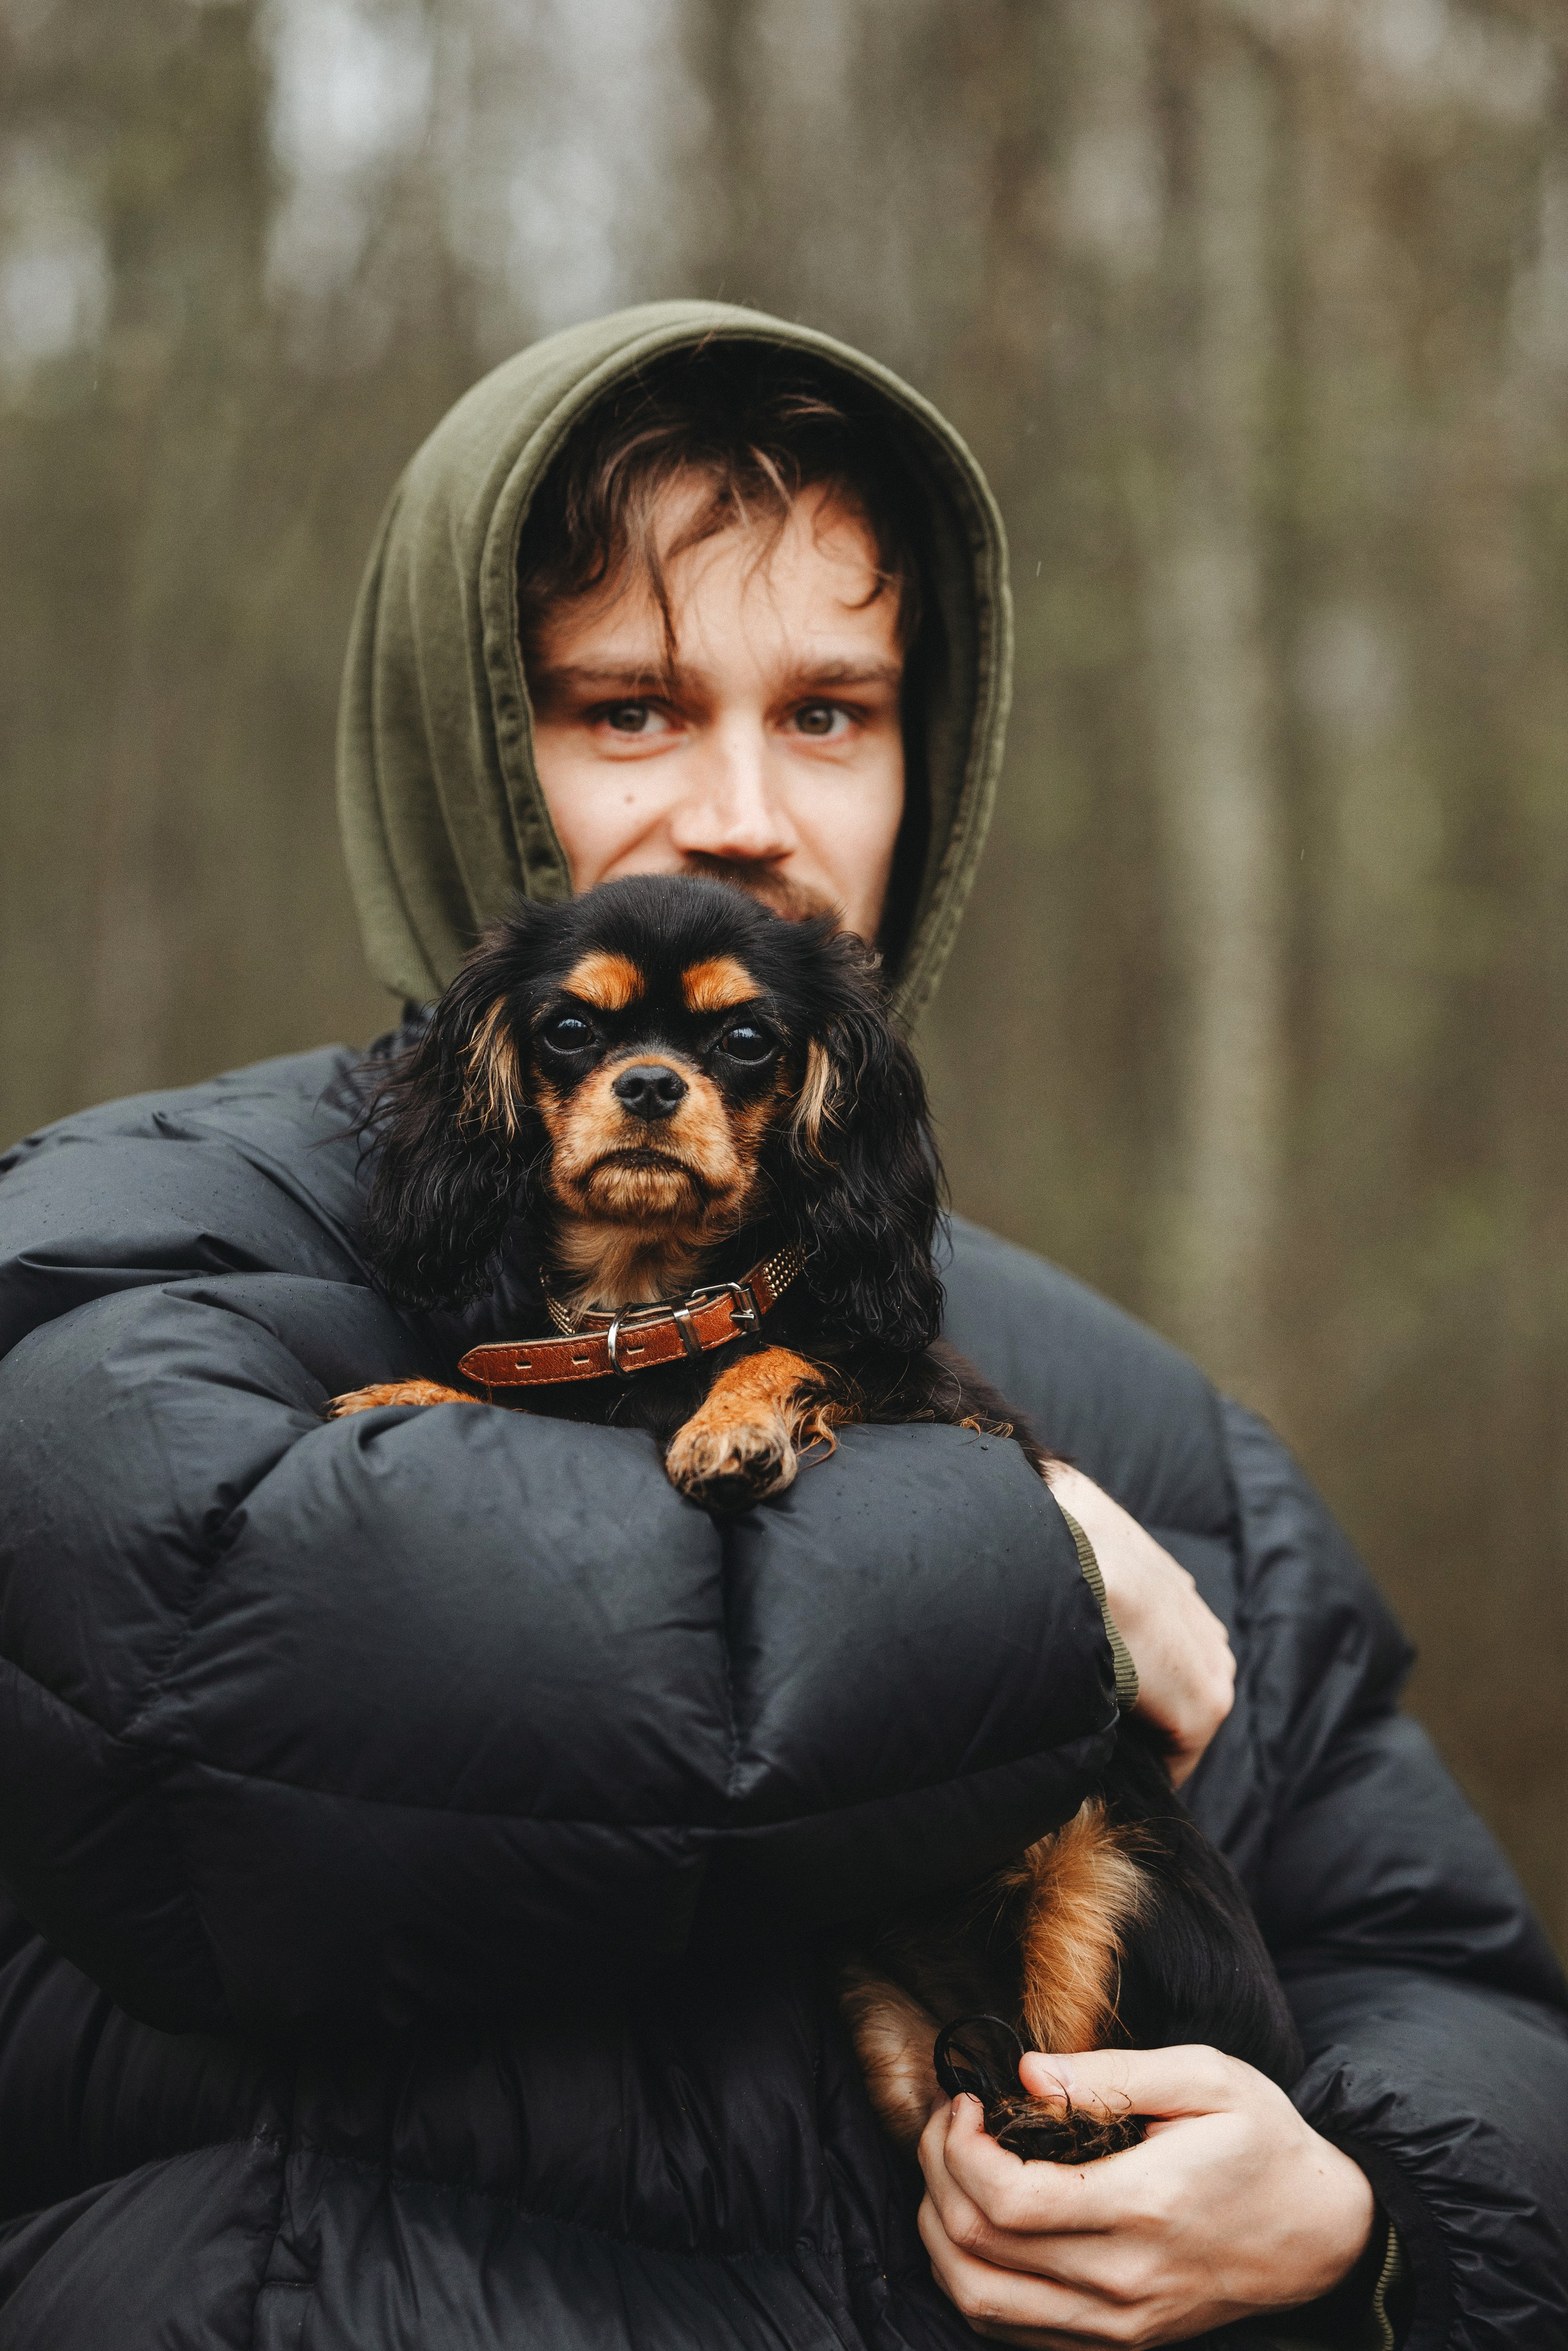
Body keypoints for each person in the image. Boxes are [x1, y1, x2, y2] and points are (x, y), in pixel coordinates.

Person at [0, 301, 1561, 2351]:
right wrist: (1028, 1565)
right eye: (628, 709)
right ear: (463, 736)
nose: (744, 810)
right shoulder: (150, 1225)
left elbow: (1448, 1985)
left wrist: (1359, 2221)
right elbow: (233, 1661)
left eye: (831, 712)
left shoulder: (1147, 1412)